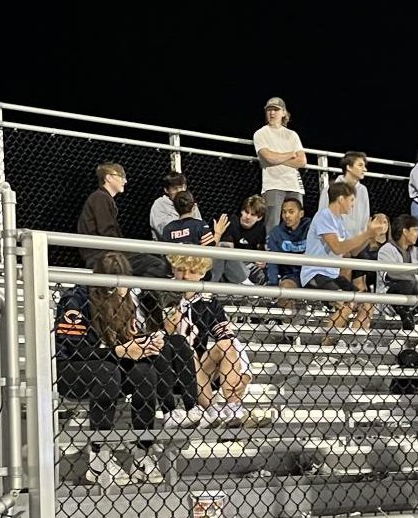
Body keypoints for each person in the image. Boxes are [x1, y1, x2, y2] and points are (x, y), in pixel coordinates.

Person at [54, 251, 181, 483]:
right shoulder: (76, 299)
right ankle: (99, 456)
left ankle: (142, 452)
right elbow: (72, 350)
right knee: (107, 371)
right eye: (116, 285)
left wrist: (144, 344)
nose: (122, 290)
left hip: (108, 365)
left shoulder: (125, 300)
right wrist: (119, 352)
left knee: (145, 371)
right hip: (71, 370)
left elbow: (124, 344)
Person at [166, 254, 254, 424]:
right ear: (172, 270)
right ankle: (212, 409)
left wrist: (246, 373)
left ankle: (233, 406)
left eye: (192, 271)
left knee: (225, 345)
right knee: (186, 349)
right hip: (169, 369)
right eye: (180, 270)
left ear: (201, 273)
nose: (185, 276)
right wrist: (167, 327)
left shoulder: (208, 302)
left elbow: (229, 338)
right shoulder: (161, 295)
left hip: (201, 368)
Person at [304, 181, 387, 342]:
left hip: (333, 276)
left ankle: (354, 348)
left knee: (366, 303)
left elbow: (352, 251)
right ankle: (324, 351)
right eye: (351, 200)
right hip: (316, 273)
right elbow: (337, 248)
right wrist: (366, 233)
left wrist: (369, 234)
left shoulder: (339, 221)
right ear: (341, 199)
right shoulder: (324, 216)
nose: (353, 204)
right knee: (346, 303)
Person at [253, 98, 307, 229]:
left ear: (283, 113)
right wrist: (290, 154)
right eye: (269, 110)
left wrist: (277, 157)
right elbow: (268, 157)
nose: (272, 113)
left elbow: (302, 161)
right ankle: (272, 249)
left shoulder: (292, 135)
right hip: (273, 185)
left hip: (294, 185)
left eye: (276, 110)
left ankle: (295, 249)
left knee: (297, 224)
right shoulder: (260, 133)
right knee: (273, 224)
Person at [74, 162, 127, 269]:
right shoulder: (100, 197)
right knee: (154, 265)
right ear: (108, 178)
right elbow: (107, 231)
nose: (125, 181)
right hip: (103, 255)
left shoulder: (102, 198)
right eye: (121, 176)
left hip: (104, 253)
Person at [265, 194, 309, 294]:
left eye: (291, 212)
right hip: (291, 276)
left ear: (301, 214)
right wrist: (272, 285)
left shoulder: (312, 229)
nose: (287, 215)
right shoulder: (276, 233)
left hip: (312, 273)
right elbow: (272, 263)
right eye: (284, 212)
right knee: (285, 290)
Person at [225, 195, 270, 284]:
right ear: (241, 211)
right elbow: (227, 250)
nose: (248, 217)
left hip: (249, 263)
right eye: (246, 212)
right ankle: (246, 283)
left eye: (253, 214)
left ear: (259, 218)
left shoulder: (261, 228)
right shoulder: (232, 222)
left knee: (263, 275)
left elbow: (261, 251)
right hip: (231, 263)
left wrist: (262, 261)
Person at [148, 172, 188, 239]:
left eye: (181, 187)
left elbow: (199, 226)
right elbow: (164, 231)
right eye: (175, 188)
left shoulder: (190, 203)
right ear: (166, 190)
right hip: (167, 246)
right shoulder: (160, 204)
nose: (179, 191)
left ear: (185, 187)